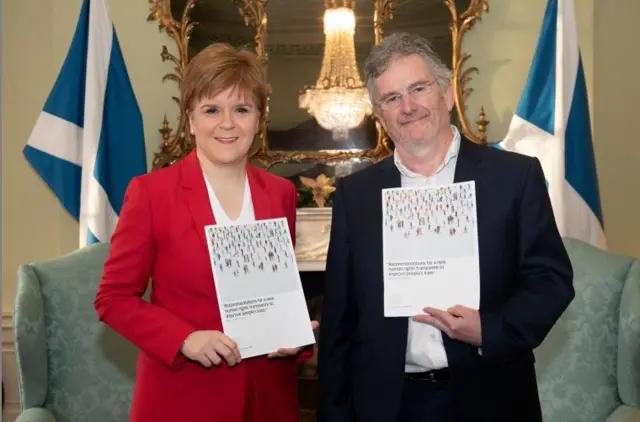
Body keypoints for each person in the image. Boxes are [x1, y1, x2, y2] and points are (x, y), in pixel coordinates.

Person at [317, 32, 575, 422]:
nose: (407, 107)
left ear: (447, 93)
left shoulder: (513, 177)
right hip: (388, 404)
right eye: (391, 98)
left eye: (418, 88)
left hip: (492, 397)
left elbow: (550, 280)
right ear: (380, 114)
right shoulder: (356, 196)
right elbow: (340, 319)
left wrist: (490, 330)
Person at [94, 43, 316, 422]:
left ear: (259, 119)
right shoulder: (150, 194)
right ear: (191, 118)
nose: (227, 123)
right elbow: (113, 298)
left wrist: (295, 334)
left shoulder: (280, 193)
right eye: (212, 109)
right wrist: (184, 338)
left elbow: (275, 293)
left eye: (241, 109)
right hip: (184, 397)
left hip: (268, 398)